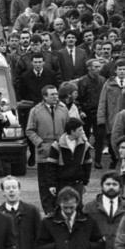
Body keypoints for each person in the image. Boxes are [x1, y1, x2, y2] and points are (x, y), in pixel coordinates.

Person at [37, 186, 105, 249]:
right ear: (60, 203)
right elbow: (39, 247)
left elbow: (100, 244)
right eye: (65, 207)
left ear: (77, 203)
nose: (68, 211)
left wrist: (86, 246)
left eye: (72, 207)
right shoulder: (48, 223)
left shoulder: (88, 221)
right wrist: (56, 247)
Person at [27, 85, 70, 213]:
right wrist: (40, 143)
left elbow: (69, 127)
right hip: (45, 151)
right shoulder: (35, 111)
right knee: (45, 183)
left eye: (56, 94)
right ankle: (48, 210)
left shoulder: (63, 109)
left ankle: (59, 208)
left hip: (61, 151)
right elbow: (29, 130)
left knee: (60, 180)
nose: (56, 97)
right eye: (52, 94)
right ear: (45, 97)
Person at [0, 176, 43, 249]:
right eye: (8, 188)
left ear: (20, 190)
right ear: (3, 192)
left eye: (14, 187)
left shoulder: (32, 211)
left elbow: (41, 238)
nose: (11, 190)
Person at [82, 171, 125, 249]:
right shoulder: (89, 208)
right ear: (102, 186)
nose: (111, 187)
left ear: (120, 187)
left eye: (115, 184)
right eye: (108, 184)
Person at [47, 117, 93, 200]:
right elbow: (51, 166)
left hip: (77, 182)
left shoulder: (84, 145)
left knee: (78, 206)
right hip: (62, 183)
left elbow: (87, 165)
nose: (83, 132)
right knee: (62, 206)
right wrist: (52, 184)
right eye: (80, 130)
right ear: (72, 132)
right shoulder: (57, 145)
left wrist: (85, 182)